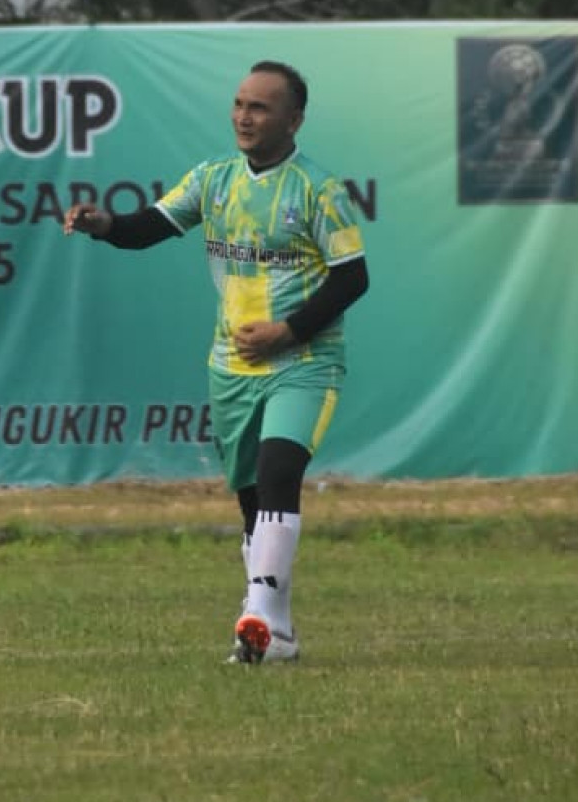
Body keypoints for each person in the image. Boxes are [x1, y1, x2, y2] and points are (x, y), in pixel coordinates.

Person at [64, 60, 369, 665]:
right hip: (232, 366)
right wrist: (105, 225)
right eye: (239, 104)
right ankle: (278, 634)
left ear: (293, 120)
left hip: (305, 361)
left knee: (280, 470)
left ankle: (260, 621)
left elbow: (351, 278)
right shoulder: (215, 179)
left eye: (259, 107)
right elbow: (147, 228)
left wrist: (287, 331)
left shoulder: (319, 190)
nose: (243, 117)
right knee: (254, 499)